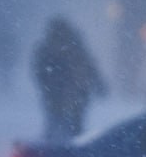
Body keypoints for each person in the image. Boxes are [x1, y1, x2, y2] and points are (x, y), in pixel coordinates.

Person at [32, 16, 107, 144]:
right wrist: (99, 85)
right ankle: (72, 151)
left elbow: (38, 70)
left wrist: (47, 84)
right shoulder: (74, 46)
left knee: (56, 122)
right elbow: (89, 66)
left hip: (60, 93)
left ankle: (52, 151)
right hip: (75, 92)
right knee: (72, 125)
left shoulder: (47, 47)